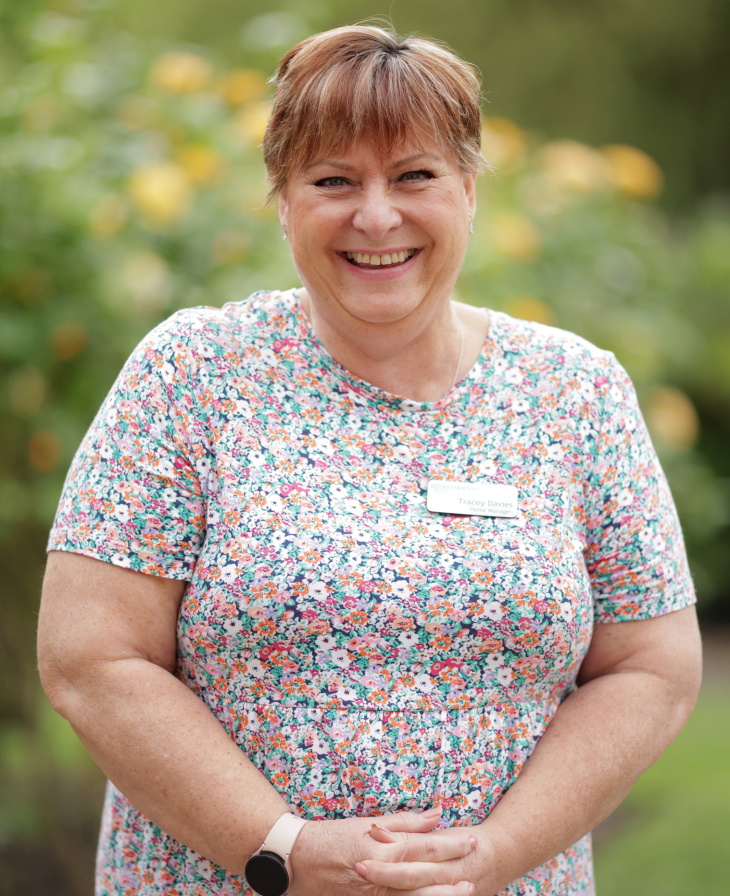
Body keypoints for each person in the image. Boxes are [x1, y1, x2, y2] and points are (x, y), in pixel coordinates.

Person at [37, 24, 702, 896]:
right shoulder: (191, 376)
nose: (377, 216)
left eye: (415, 175)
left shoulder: (575, 393)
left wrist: (496, 855)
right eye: (333, 181)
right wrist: (282, 849)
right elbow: (90, 661)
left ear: (469, 190)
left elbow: (652, 667)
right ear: (283, 200)